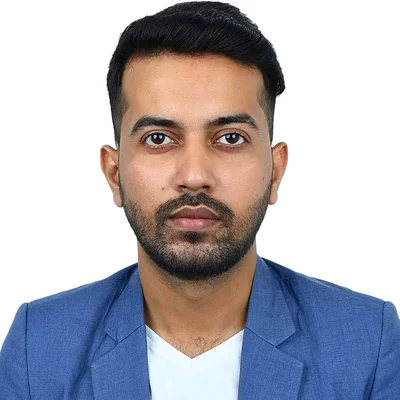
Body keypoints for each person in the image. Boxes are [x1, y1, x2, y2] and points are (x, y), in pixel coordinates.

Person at [1, 1, 399, 398]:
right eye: (158, 138)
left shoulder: (368, 343)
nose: (194, 176)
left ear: (275, 171)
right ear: (114, 173)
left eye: (231, 138)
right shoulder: (39, 348)